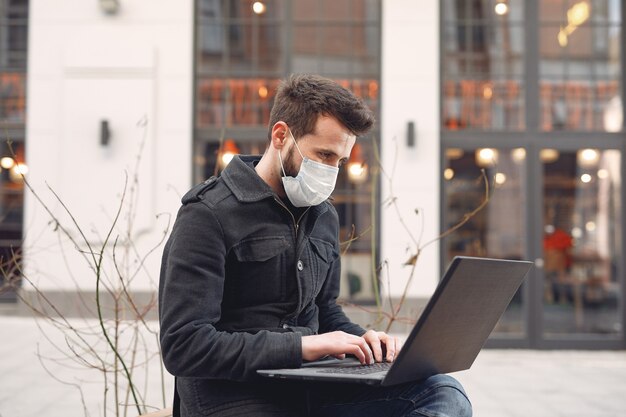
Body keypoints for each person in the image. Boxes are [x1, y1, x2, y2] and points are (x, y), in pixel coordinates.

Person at [158, 74, 472, 417]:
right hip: (232, 396)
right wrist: (304, 346)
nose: (330, 170)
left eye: (339, 160)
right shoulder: (207, 215)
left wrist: (363, 340)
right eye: (323, 154)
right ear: (281, 136)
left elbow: (323, 310)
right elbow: (183, 346)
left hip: (310, 386)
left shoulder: (323, 216)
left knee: (442, 391)